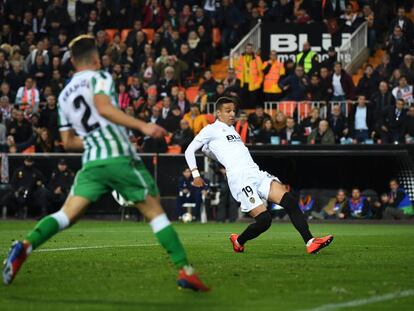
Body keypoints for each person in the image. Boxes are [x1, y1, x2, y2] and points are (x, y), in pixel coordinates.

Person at [2, 35, 209, 292]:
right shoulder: (101, 77)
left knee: (67, 215)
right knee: (154, 209)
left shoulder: (64, 94)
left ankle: (24, 246)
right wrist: (143, 125)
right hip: (118, 156)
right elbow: (103, 108)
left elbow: (67, 142)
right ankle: (185, 270)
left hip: (92, 163)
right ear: (96, 58)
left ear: (74, 62)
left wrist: (94, 140)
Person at [184, 96, 333, 254]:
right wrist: (196, 175)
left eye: (234, 110)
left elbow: (218, 152)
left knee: (290, 201)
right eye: (228, 111)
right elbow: (189, 150)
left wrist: (214, 155)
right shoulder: (210, 129)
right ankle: (239, 240)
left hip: (255, 172)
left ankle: (310, 242)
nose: (232, 114)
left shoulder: (232, 129)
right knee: (264, 221)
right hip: (240, 179)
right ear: (218, 113)